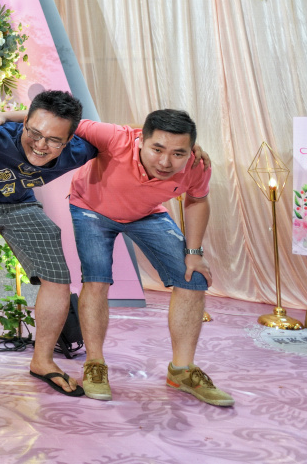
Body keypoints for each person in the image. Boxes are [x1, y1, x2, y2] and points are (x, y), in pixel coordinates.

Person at [0, 90, 98, 398]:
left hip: (21, 205)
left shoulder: (80, 150)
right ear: (25, 123)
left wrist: (189, 148)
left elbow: (127, 138)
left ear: (69, 140)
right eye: (34, 133)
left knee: (57, 278)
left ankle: (42, 361)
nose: (40, 145)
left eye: (53, 140)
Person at [68, 109, 232, 406]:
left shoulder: (196, 165)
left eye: (178, 153)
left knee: (193, 276)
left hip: (146, 213)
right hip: (90, 208)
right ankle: (95, 364)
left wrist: (194, 253)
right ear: (142, 140)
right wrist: (4, 115)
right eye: (157, 149)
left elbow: (197, 200)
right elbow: (62, 119)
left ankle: (182, 371)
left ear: (190, 150)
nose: (166, 162)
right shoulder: (116, 138)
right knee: (96, 278)